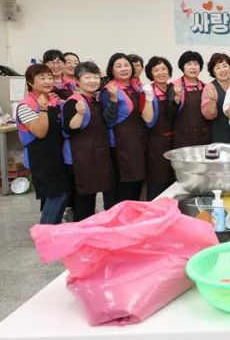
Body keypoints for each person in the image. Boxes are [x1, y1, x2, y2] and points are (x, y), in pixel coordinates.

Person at [16, 64, 73, 224]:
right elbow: (40, 132)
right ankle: (45, 230)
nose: (48, 81)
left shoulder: (55, 100)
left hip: (58, 155)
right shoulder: (25, 105)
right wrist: (42, 109)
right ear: (30, 82)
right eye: (42, 78)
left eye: (49, 77)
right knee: (56, 195)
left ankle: (52, 229)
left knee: (63, 193)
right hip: (41, 158)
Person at [62, 62, 115, 221]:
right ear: (77, 80)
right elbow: (69, 129)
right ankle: (81, 227)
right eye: (87, 77)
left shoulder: (93, 98)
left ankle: (88, 225)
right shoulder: (74, 101)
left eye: (95, 77)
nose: (92, 81)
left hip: (94, 154)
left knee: (91, 194)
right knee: (84, 196)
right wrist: (79, 114)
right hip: (81, 157)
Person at [101, 53, 155, 205]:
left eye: (126, 65)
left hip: (137, 144)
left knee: (135, 187)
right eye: (118, 66)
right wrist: (113, 99)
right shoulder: (109, 90)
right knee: (122, 191)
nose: (124, 69)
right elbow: (107, 120)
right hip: (120, 147)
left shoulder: (135, 87)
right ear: (112, 70)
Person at [145, 56, 176, 200]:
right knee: (157, 183)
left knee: (174, 184)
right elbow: (147, 120)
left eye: (163, 69)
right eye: (156, 70)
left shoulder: (174, 89)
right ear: (150, 74)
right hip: (156, 144)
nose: (160, 72)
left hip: (175, 142)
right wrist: (148, 98)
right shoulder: (147, 91)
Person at [169, 51, 211, 148]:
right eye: (189, 64)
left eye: (196, 64)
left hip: (203, 137)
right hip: (183, 138)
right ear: (182, 67)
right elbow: (169, 114)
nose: (193, 67)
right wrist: (177, 98)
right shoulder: (174, 86)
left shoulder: (206, 86)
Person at [201, 53, 230, 143]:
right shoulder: (210, 87)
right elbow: (210, 116)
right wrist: (212, 101)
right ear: (213, 72)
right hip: (220, 135)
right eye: (218, 68)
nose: (222, 70)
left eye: (225, 66)